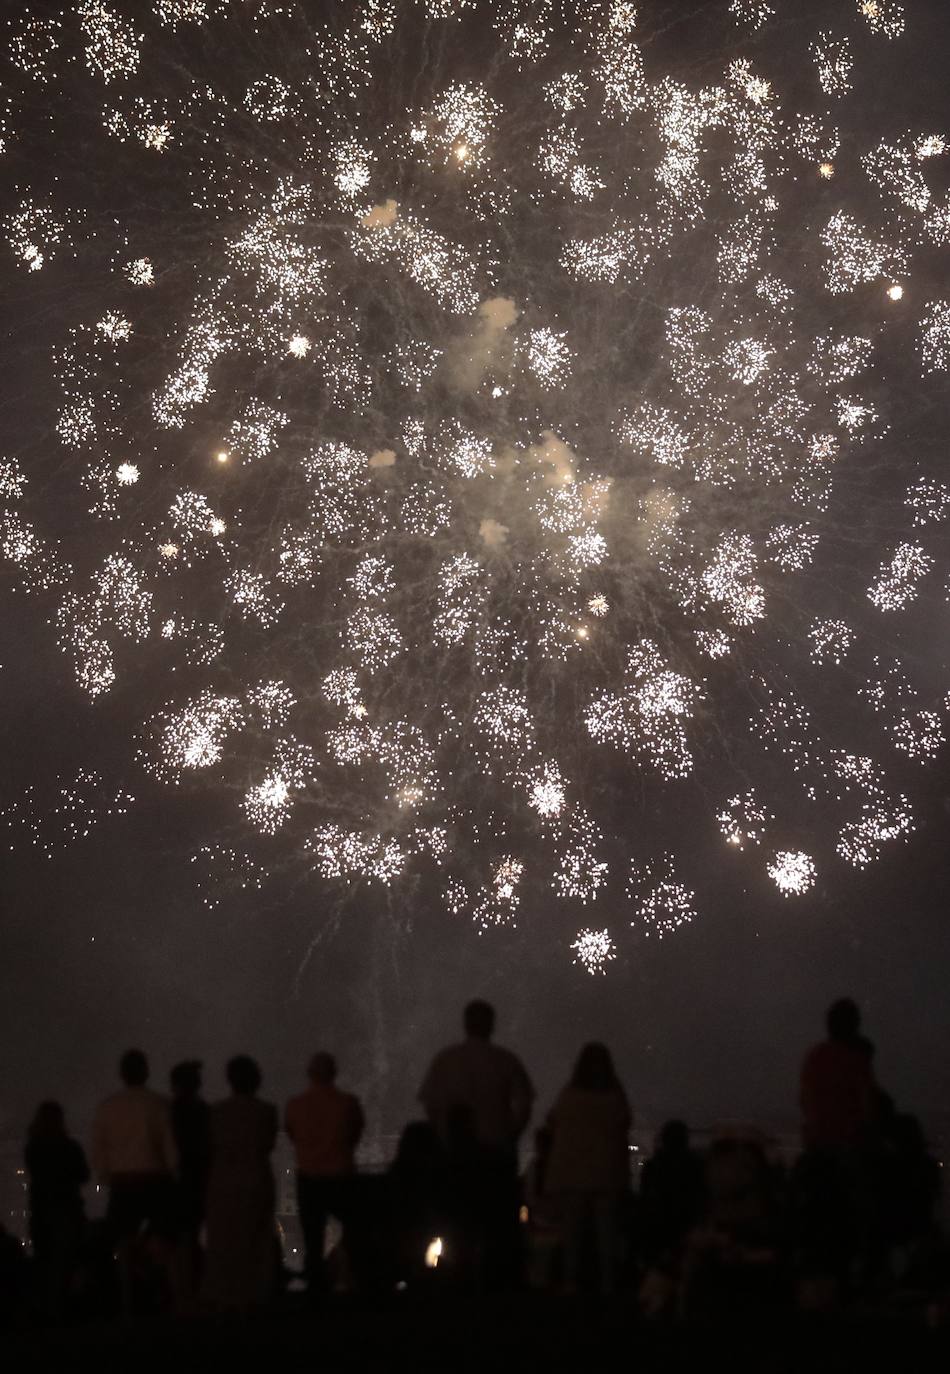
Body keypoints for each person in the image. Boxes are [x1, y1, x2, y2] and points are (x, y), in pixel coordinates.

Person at [418, 1001, 533, 1288]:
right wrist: (513, 1133)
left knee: (459, 1223)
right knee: (498, 1226)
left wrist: (442, 1138)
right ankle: (497, 1285)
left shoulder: (446, 1060)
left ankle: (460, 1280)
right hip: (497, 1154)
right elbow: (525, 1102)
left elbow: (431, 1106)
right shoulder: (505, 1060)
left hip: (458, 1155)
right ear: (492, 1024)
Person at [91, 1048, 178, 1307]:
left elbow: (99, 1152)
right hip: (155, 1180)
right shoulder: (160, 1104)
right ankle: (165, 1295)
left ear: (121, 1074)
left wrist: (108, 1177)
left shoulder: (107, 1108)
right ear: (146, 1072)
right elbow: (170, 1148)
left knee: (124, 1244)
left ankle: (126, 1301)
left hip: (123, 1182)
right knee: (164, 1241)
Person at [545, 1042, 631, 1295]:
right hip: (607, 1172)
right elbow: (624, 1122)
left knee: (572, 1232)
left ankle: (571, 1282)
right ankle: (608, 1284)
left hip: (573, 1172)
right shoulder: (615, 1094)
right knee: (607, 1234)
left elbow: (553, 1121)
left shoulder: (569, 1094)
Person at [285, 1052, 364, 1297]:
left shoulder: (295, 1105)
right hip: (342, 1175)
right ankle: (355, 1277)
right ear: (334, 1073)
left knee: (312, 1237)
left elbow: (292, 1135)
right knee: (354, 1231)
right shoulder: (348, 1103)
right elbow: (355, 1134)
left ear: (309, 1074)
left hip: (309, 1178)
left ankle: (316, 1286)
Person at [202, 1055, 278, 1311]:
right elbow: (267, 1144)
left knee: (226, 1241)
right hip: (256, 1179)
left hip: (223, 1182)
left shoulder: (216, 1113)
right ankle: (256, 1295)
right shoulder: (267, 1111)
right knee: (256, 1240)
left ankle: (225, 1296)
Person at [24, 1101, 89, 1319]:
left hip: (41, 1209)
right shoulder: (70, 1147)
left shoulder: (33, 1147)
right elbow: (83, 1175)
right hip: (67, 1208)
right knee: (66, 1259)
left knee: (45, 1259)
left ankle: (47, 1308)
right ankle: (64, 1306)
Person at [800, 998, 876, 1152]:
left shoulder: (814, 1057)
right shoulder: (855, 1060)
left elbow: (804, 1100)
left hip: (817, 1144)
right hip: (849, 1146)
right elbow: (869, 1105)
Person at [169, 1060, 211, 1309]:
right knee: (192, 1237)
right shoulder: (204, 1112)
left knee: (181, 1240)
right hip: (199, 1183)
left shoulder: (170, 1112)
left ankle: (182, 1292)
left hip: (178, 1184)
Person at [638, 1120, 705, 1272]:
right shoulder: (695, 1166)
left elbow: (644, 1195)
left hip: (658, 1225)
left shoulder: (653, 1166)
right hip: (686, 1223)